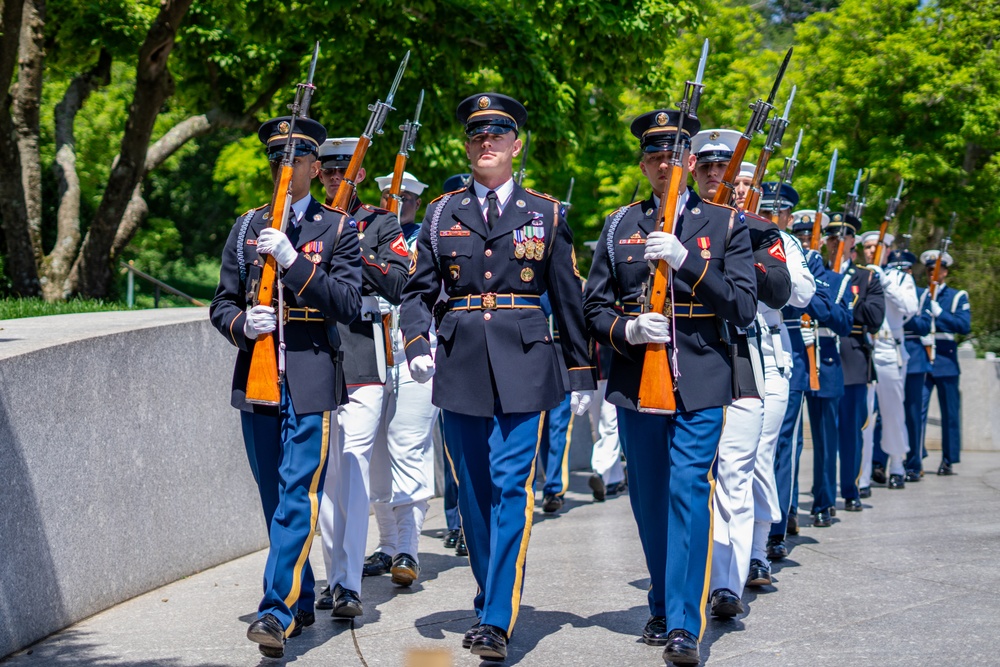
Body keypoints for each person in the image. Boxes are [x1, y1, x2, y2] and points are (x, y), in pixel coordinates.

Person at [400, 92, 595, 661]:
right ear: (468, 145)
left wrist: (582, 374)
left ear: (516, 145)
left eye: (496, 135)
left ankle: (496, 615)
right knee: (476, 491)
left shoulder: (546, 212)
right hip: (459, 361)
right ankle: (491, 593)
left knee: (513, 486)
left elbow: (568, 297)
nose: (485, 144)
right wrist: (417, 343)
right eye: (476, 136)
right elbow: (418, 291)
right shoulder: (440, 212)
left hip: (526, 362)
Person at [583, 110, 757, 665]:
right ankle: (660, 601)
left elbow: (745, 306)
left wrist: (686, 265)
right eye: (653, 155)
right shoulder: (619, 226)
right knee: (649, 497)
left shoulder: (726, 224)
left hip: (703, 374)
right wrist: (627, 329)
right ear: (643, 163)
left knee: (688, 489)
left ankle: (686, 621)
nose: (664, 163)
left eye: (672, 154)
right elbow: (593, 307)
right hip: (638, 376)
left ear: (689, 159)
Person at [209, 116, 363, 657]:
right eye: (277, 158)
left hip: (312, 373)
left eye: (295, 159)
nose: (284, 167)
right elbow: (221, 302)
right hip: (259, 375)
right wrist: (240, 325)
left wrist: (295, 262)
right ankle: (297, 598)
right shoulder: (246, 226)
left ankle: (273, 611)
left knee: (298, 491)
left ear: (315, 167)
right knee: (273, 494)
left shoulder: (337, 228)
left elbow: (347, 303)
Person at [687, 129, 791, 617]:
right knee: (688, 477)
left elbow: (778, 291)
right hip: (682, 358)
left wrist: (740, 243)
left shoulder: (757, 228)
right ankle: (689, 577)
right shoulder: (672, 220)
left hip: (738, 359)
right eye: (706, 166)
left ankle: (726, 583)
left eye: (722, 168)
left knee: (734, 471)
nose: (714, 176)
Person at [313, 137, 410, 617]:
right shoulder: (306, 222)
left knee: (350, 464)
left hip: (360, 351)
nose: (335, 177)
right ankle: (334, 577)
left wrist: (350, 240)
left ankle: (347, 583)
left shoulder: (379, 222)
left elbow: (399, 280)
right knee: (326, 475)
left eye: (342, 170)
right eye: (328, 170)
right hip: (312, 354)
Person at [355, 170, 441, 587]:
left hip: (415, 348)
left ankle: (408, 546)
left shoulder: (428, 236)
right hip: (371, 347)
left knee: (409, 444)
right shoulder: (363, 230)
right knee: (373, 455)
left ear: (417, 203)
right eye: (391, 194)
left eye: (406, 196)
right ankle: (387, 545)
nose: (399, 201)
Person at [740, 182, 815, 588]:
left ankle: (757, 550)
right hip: (711, 347)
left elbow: (801, 294)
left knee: (760, 452)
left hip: (766, 345)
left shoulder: (779, 237)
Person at [769, 209, 851, 551]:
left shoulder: (811, 262)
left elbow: (835, 313)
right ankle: (775, 516)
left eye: (808, 235)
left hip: (799, 359)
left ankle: (779, 524)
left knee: (790, 442)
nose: (804, 240)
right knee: (778, 445)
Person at [826, 214, 885, 513]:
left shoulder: (867, 277)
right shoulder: (819, 270)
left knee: (851, 428)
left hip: (853, 353)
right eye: (831, 238)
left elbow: (875, 320)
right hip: (823, 351)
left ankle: (850, 487)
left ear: (853, 243)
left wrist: (847, 301)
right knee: (826, 432)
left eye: (843, 238)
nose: (836, 243)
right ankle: (824, 493)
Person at [858, 231, 918, 492]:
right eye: (868, 247)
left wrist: (885, 282)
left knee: (893, 413)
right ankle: (863, 476)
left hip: (889, 349)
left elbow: (910, 307)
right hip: (866, 348)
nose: (872, 251)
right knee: (866, 416)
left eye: (877, 246)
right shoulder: (860, 274)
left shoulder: (900, 277)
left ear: (889, 248)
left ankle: (896, 465)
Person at [919, 249, 971, 475]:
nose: (933, 274)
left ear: (945, 272)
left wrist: (940, 313)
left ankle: (949, 459)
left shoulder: (957, 296)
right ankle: (916, 458)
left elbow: (963, 325)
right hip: (923, 355)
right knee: (917, 410)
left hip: (946, 358)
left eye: (937, 270)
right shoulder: (920, 293)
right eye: (930, 270)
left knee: (949, 412)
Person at [898, 251, 934, 479]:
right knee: (884, 414)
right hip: (890, 353)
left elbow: (924, 325)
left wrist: (904, 313)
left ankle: (914, 462)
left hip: (914, 357)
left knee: (913, 413)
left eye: (905, 270)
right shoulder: (886, 292)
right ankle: (881, 463)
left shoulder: (921, 295)